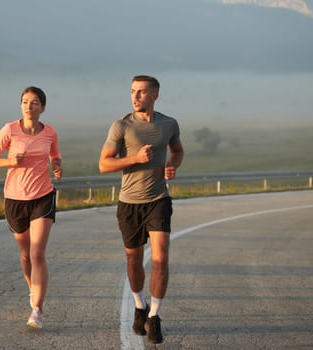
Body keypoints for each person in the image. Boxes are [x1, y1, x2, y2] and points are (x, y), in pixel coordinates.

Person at [98, 75, 184, 344]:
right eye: (133, 91)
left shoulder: (169, 124)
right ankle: (139, 304)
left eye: (142, 92)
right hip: (129, 203)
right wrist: (135, 158)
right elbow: (103, 164)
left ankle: (154, 317)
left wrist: (173, 165)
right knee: (134, 260)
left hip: (158, 200)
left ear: (155, 95)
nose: (135, 97)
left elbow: (178, 150)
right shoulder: (121, 126)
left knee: (160, 260)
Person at [0, 86, 62, 329]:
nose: (30, 106)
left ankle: (37, 309)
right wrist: (9, 161)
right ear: (21, 106)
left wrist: (57, 165)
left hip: (43, 196)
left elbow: (55, 155)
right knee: (26, 254)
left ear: (43, 107)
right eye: (26, 101)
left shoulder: (49, 132)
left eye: (35, 102)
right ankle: (32, 288)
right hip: (15, 199)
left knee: (38, 252)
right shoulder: (10, 130)